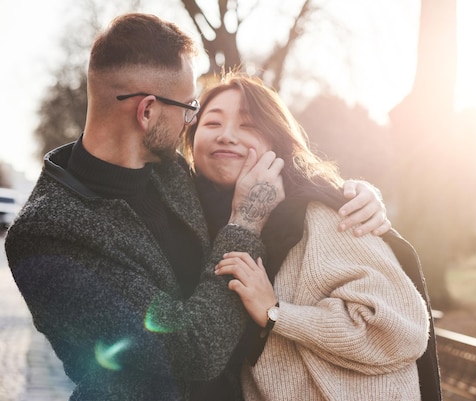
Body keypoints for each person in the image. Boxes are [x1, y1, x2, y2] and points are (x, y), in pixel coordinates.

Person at [4, 13, 391, 401]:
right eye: (189, 106)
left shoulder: (169, 170)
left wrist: (352, 193)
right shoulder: (46, 234)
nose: (192, 120)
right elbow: (194, 348)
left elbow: (260, 172)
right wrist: (245, 222)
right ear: (148, 111)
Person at [181, 72, 442, 401]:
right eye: (212, 124)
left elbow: (399, 330)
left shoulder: (322, 214)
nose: (227, 136)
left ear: (276, 142)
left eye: (247, 125)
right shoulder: (191, 215)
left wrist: (276, 312)